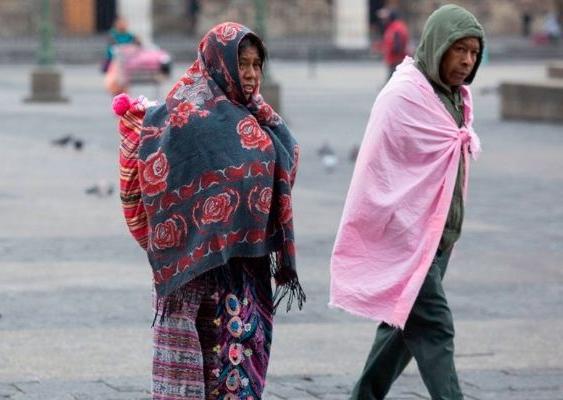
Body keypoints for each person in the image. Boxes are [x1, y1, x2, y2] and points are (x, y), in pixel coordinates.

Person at [112, 22, 305, 399]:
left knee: (240, 370)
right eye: (242, 64)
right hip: (193, 273)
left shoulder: (259, 117)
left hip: (244, 271)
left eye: (256, 64)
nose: (250, 74)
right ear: (219, 63)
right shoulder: (186, 115)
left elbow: (283, 163)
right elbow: (158, 183)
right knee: (192, 374)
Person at [329, 5, 484, 400]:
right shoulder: (403, 96)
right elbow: (378, 175)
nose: (467, 61)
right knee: (435, 327)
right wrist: (403, 231)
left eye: (474, 52)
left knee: (399, 330)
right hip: (405, 239)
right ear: (437, 46)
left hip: (438, 239)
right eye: (459, 49)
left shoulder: (456, 97)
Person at [377, 7, 409, 79]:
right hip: (393, 60)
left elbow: (398, 44)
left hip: (396, 60)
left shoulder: (396, 28)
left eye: (385, 19)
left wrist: (394, 53)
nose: (382, 21)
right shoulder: (392, 27)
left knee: (394, 79)